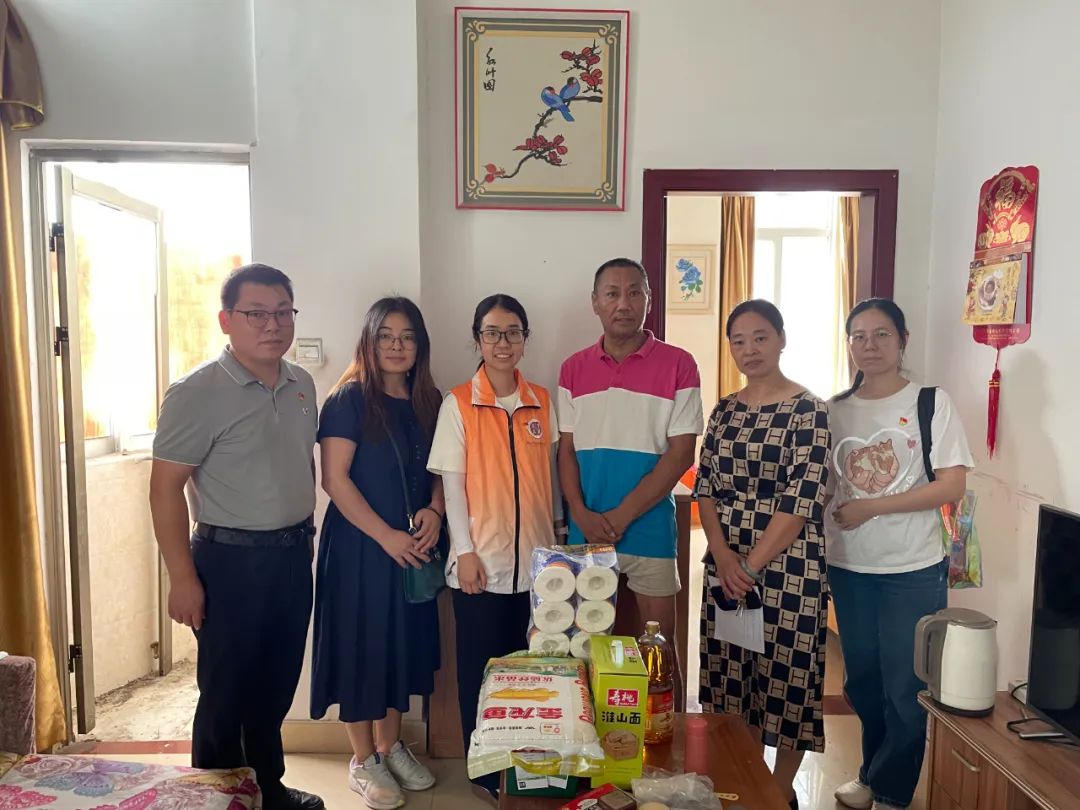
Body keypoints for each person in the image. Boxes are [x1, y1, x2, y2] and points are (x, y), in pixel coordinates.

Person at [149, 263, 324, 810]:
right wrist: (182, 578)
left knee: (275, 684)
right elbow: (163, 490)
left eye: (283, 312)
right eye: (256, 313)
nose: (272, 324)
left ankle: (267, 789)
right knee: (226, 694)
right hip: (228, 562)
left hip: (292, 556)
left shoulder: (301, 384)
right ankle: (217, 800)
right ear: (226, 320)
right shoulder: (196, 392)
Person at [826, 299, 972, 810]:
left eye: (881, 334)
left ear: (902, 340)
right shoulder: (833, 410)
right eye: (859, 336)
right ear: (849, 344)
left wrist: (871, 507)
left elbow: (950, 484)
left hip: (913, 568)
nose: (869, 345)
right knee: (864, 682)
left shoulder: (930, 402)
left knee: (906, 687)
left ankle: (892, 791)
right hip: (848, 567)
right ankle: (871, 773)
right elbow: (825, 488)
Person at [426, 294, 563, 804]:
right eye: (491, 333)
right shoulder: (458, 403)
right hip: (480, 566)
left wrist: (559, 543)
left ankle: (528, 764)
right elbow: (452, 486)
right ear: (477, 340)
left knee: (530, 672)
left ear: (525, 338)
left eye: (513, 332)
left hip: (539, 568)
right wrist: (463, 552)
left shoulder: (541, 400)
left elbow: (550, 477)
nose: (503, 342)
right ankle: (485, 771)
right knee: (482, 674)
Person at [695, 299, 830, 810]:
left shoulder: (809, 410)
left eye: (760, 337)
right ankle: (747, 776)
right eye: (739, 341)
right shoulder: (724, 410)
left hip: (790, 565)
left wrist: (750, 565)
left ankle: (777, 791)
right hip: (727, 563)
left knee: (789, 675)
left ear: (781, 339)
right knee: (733, 675)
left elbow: (802, 497)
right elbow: (705, 487)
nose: (749, 349)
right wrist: (724, 557)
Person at [311, 297, 443, 810]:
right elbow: (334, 479)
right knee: (361, 647)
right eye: (386, 335)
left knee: (398, 646)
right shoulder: (348, 400)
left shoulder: (428, 399)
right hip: (360, 548)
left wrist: (435, 510)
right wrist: (385, 536)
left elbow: (440, 470)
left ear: (420, 345)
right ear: (369, 340)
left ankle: (390, 747)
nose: (396, 345)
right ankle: (363, 759)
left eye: (407, 336)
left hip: (412, 548)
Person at [557, 258, 702, 704]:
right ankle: (592, 740)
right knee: (584, 652)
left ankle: (666, 746)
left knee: (658, 656)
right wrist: (580, 512)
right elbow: (566, 451)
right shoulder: (573, 369)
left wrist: (622, 515)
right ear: (595, 302)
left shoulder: (679, 364)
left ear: (649, 300)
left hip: (651, 531)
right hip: (587, 533)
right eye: (612, 293)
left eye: (634, 292)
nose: (623, 303)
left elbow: (681, 452)